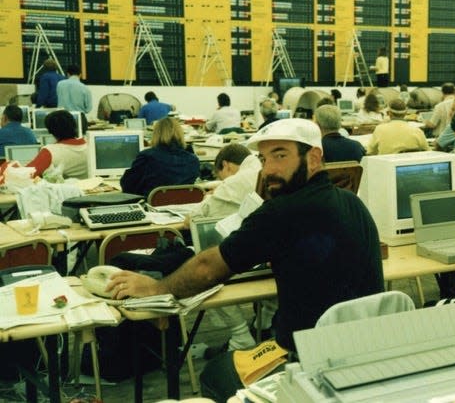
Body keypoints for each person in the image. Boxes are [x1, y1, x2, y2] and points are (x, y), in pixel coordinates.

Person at [107, 118, 384, 401]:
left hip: (307, 363)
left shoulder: (280, 213)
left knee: (216, 372)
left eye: (280, 155)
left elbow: (207, 269)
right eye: (264, 159)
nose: (269, 170)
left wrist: (155, 288)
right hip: (368, 357)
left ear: (313, 158)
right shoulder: (353, 203)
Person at [190, 143, 263, 351]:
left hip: (246, 260)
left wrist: (210, 196)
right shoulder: (258, 170)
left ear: (226, 165)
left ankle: (240, 335)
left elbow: (194, 218)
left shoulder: (233, 183)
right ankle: (263, 324)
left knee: (205, 267)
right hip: (271, 258)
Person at [121, 117, 200, 198]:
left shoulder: (147, 157)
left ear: (155, 134)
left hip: (150, 207)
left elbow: (127, 187)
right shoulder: (193, 160)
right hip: (184, 207)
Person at [26, 110, 88, 178]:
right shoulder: (89, 146)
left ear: (50, 131)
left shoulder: (49, 151)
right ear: (74, 125)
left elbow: (26, 174)